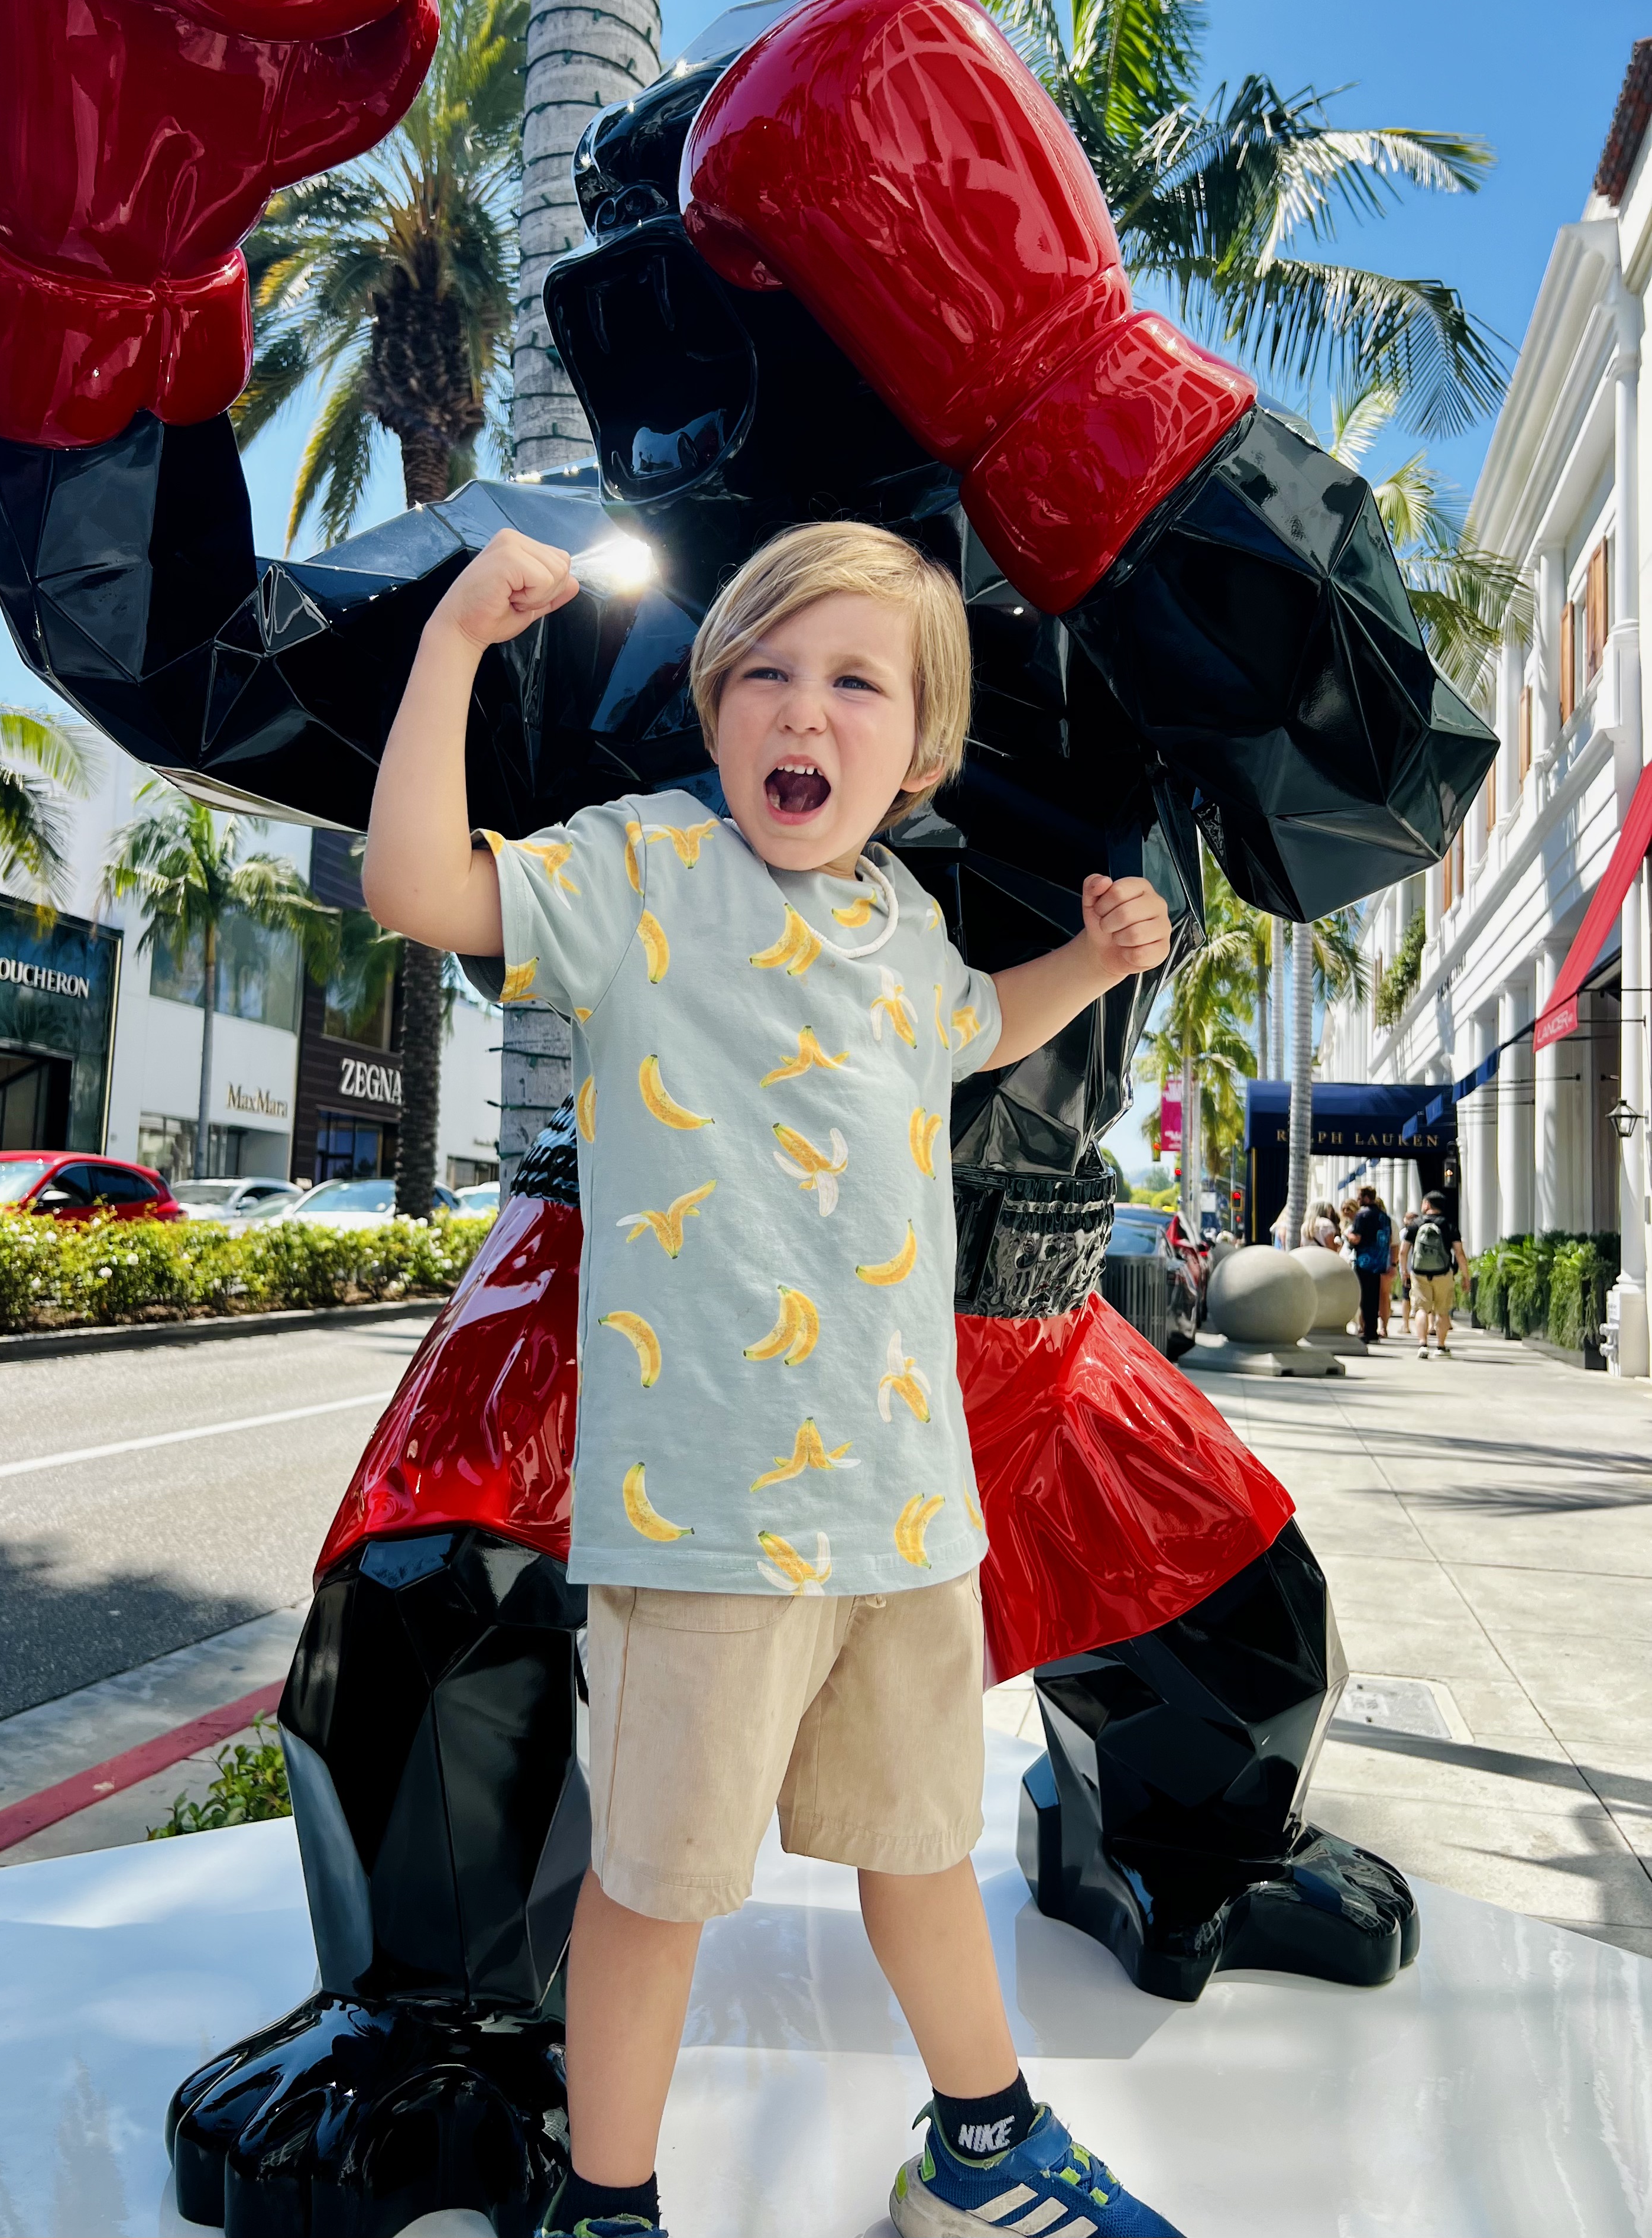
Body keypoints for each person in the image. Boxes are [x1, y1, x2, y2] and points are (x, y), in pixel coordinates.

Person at [362, 520, 1183, 2238]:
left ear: (922, 751)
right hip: (706, 1513)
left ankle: (983, 2140)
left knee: (916, 1852)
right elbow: (420, 889)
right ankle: (610, 2199)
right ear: (714, 705)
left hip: (899, 1504)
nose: (801, 707)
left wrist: (1097, 966)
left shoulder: (902, 921)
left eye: (854, 679)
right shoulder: (636, 873)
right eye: (763, 672)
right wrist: (451, 645)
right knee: (655, 1887)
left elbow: (973, 1024)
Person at [1405, 1191, 1470, 1358]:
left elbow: (1403, 1252)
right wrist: (1465, 1276)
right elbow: (1459, 1253)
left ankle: (1423, 1345)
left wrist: (1403, 1271)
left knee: (1421, 1309)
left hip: (1419, 1274)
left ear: (1427, 1205)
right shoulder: (1449, 1225)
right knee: (1442, 1311)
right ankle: (1441, 1347)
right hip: (1443, 1273)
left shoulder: (1415, 1224)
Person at [1344, 1184, 1391, 1346]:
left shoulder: (1362, 1215)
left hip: (1364, 1261)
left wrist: (1347, 1235)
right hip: (1379, 1261)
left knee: (1364, 1297)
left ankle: (1368, 1330)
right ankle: (1373, 1330)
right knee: (1375, 1296)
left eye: (1359, 1197)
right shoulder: (1384, 1217)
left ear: (1365, 1198)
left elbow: (1356, 1238)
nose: (1357, 1200)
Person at [1375, 1189, 1397, 1337]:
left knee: (1370, 1296)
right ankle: (1383, 1328)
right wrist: (1394, 1265)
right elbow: (1395, 1245)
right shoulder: (1390, 1222)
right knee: (1384, 1296)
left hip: (1372, 1263)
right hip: (1386, 1263)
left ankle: (1368, 1326)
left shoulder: (1365, 1219)